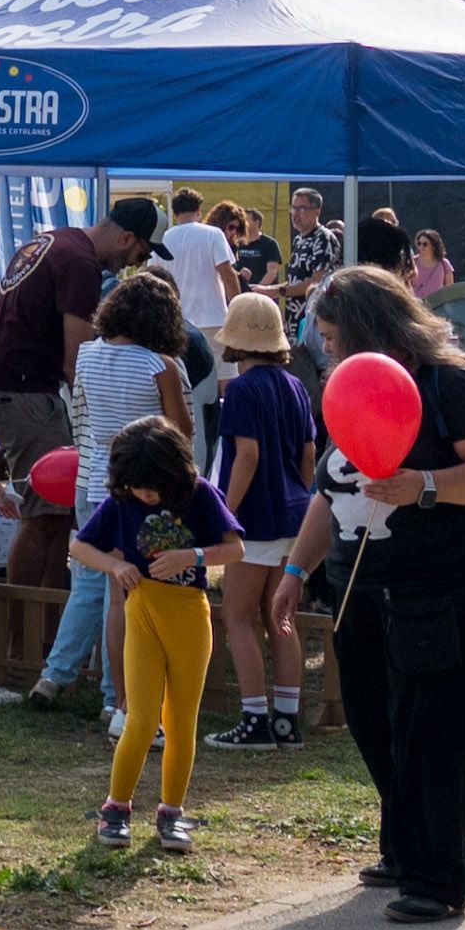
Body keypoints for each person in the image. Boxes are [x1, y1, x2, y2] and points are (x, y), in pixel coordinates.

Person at [296, 266, 465, 921]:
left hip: (442, 583)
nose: (325, 349)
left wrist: (425, 484)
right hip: (359, 585)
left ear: (368, 328)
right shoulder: (349, 384)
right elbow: (332, 488)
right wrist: (294, 570)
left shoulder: (450, 381)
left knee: (433, 730)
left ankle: (438, 879)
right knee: (376, 723)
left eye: (333, 336)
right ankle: (402, 849)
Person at [76, 416, 245, 851]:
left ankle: (172, 812)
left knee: (182, 721)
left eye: (152, 489)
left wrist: (193, 556)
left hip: (189, 614)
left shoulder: (199, 494)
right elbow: (79, 546)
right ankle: (116, 808)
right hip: (142, 612)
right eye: (138, 488)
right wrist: (115, 565)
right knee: (141, 718)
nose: (145, 496)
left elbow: (236, 549)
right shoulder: (121, 499)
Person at [0, 191, 165, 484]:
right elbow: (76, 363)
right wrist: (97, 427)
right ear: (126, 238)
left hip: (8, 386)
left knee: (46, 495)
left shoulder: (57, 240)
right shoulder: (81, 264)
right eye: (141, 255)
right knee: (52, 499)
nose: (133, 265)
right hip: (25, 390)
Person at [204, 291, 317, 749]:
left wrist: (225, 514)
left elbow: (246, 456)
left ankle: (254, 720)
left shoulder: (241, 390)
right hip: (294, 516)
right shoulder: (295, 386)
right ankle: (287, 722)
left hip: (255, 518)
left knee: (237, 617)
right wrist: (296, 497)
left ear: (233, 342)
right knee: (281, 617)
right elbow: (308, 454)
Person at [153, 189, 239, 339]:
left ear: (175, 213)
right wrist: (238, 309)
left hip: (176, 320)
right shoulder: (213, 234)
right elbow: (228, 276)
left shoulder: (163, 239)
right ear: (198, 211)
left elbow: (154, 278)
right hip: (213, 319)